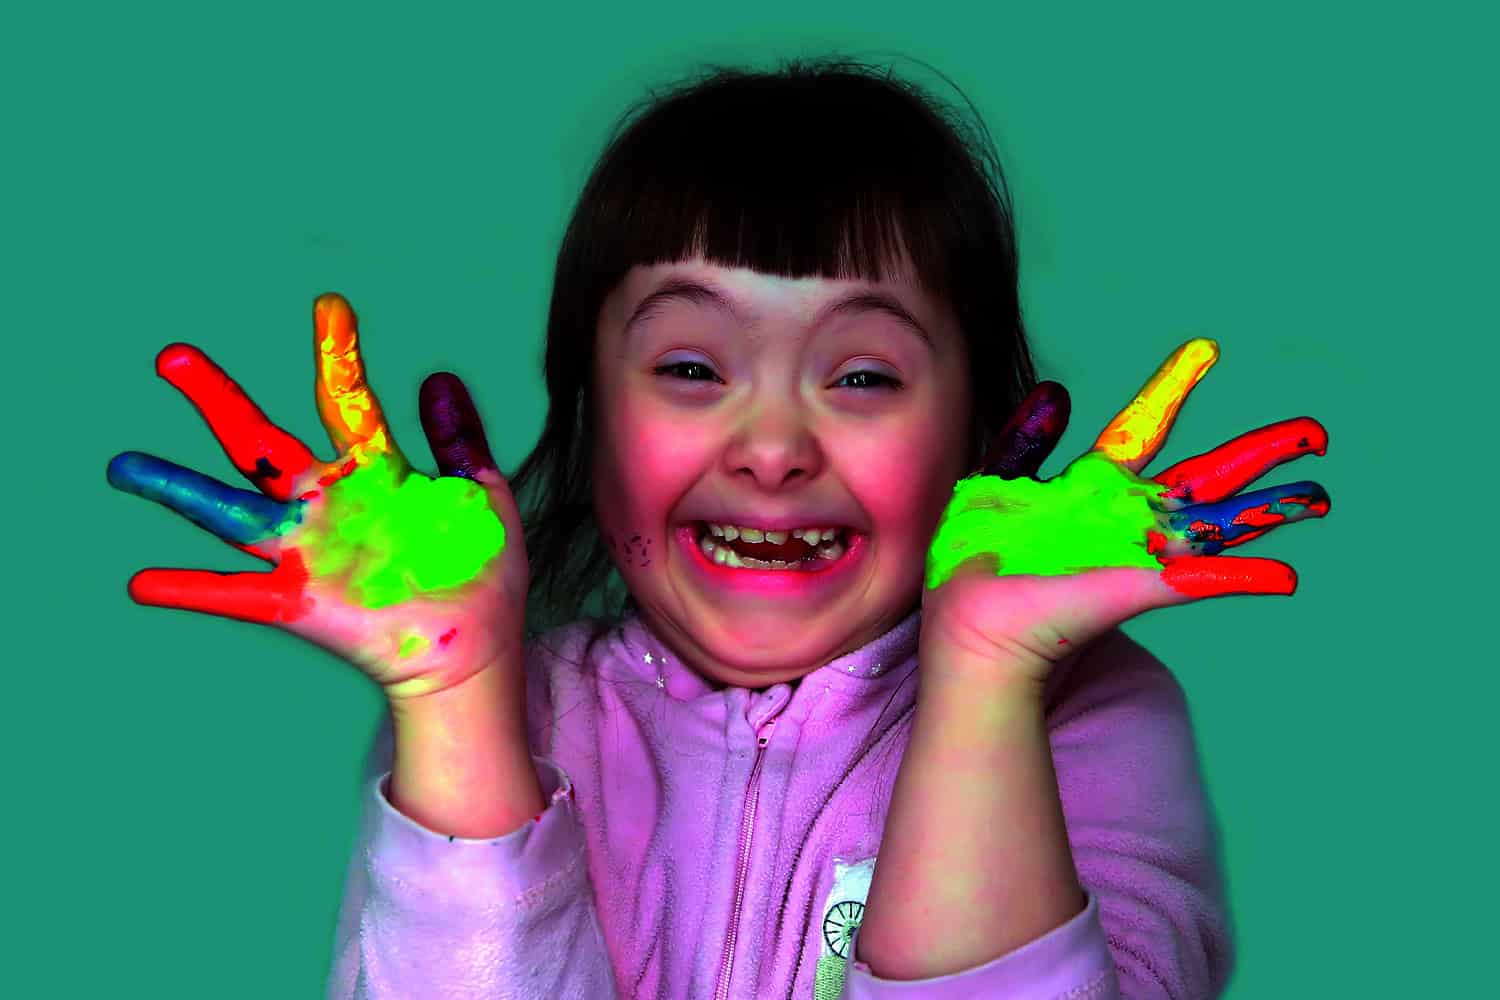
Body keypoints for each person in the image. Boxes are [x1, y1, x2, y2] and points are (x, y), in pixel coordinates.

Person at [107, 58, 1332, 999]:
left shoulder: (1091, 715)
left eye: (861, 377)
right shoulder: (517, 712)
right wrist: (456, 698)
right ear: (590, 421)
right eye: (692, 365)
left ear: (977, 435)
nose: (773, 444)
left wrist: (987, 677)